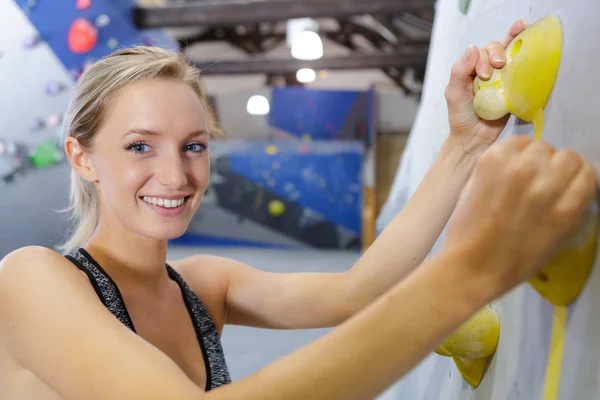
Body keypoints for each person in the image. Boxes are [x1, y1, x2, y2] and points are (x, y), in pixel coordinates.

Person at [0, 19, 595, 400]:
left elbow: (357, 292)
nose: (176, 175)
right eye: (139, 147)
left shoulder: (204, 286)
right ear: (81, 157)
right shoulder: (32, 280)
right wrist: (471, 272)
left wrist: (464, 142)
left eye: (195, 146)